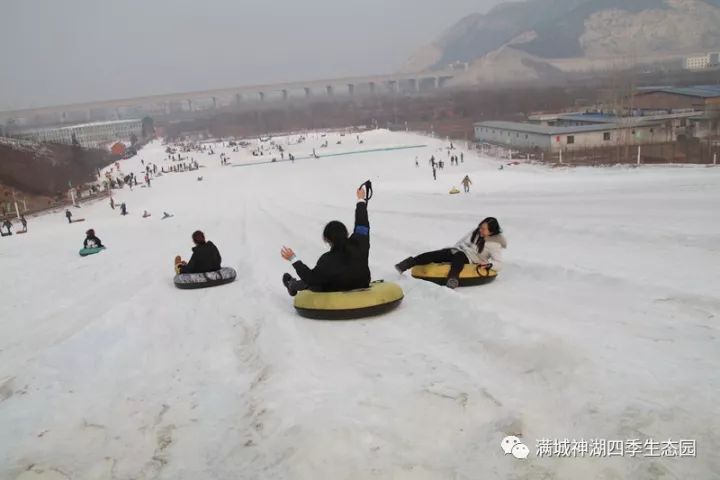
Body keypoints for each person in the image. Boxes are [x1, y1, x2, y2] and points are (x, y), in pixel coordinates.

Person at [280, 186, 371, 296]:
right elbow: (362, 222)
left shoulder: (327, 260)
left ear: (327, 239)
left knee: (316, 281)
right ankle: (293, 284)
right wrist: (361, 199)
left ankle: (292, 285)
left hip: (335, 290)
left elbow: (311, 278)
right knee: (323, 276)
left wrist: (293, 259)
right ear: (346, 233)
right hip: (362, 282)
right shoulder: (360, 242)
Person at [395, 217, 507, 289]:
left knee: (458, 257)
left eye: (484, 229)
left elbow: (499, 263)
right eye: (480, 227)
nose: (480, 230)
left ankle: (452, 278)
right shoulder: (476, 232)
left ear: (491, 231)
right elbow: (462, 241)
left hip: (469, 258)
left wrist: (490, 265)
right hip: (458, 250)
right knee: (436, 254)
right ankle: (407, 264)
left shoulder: (494, 244)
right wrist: (451, 250)